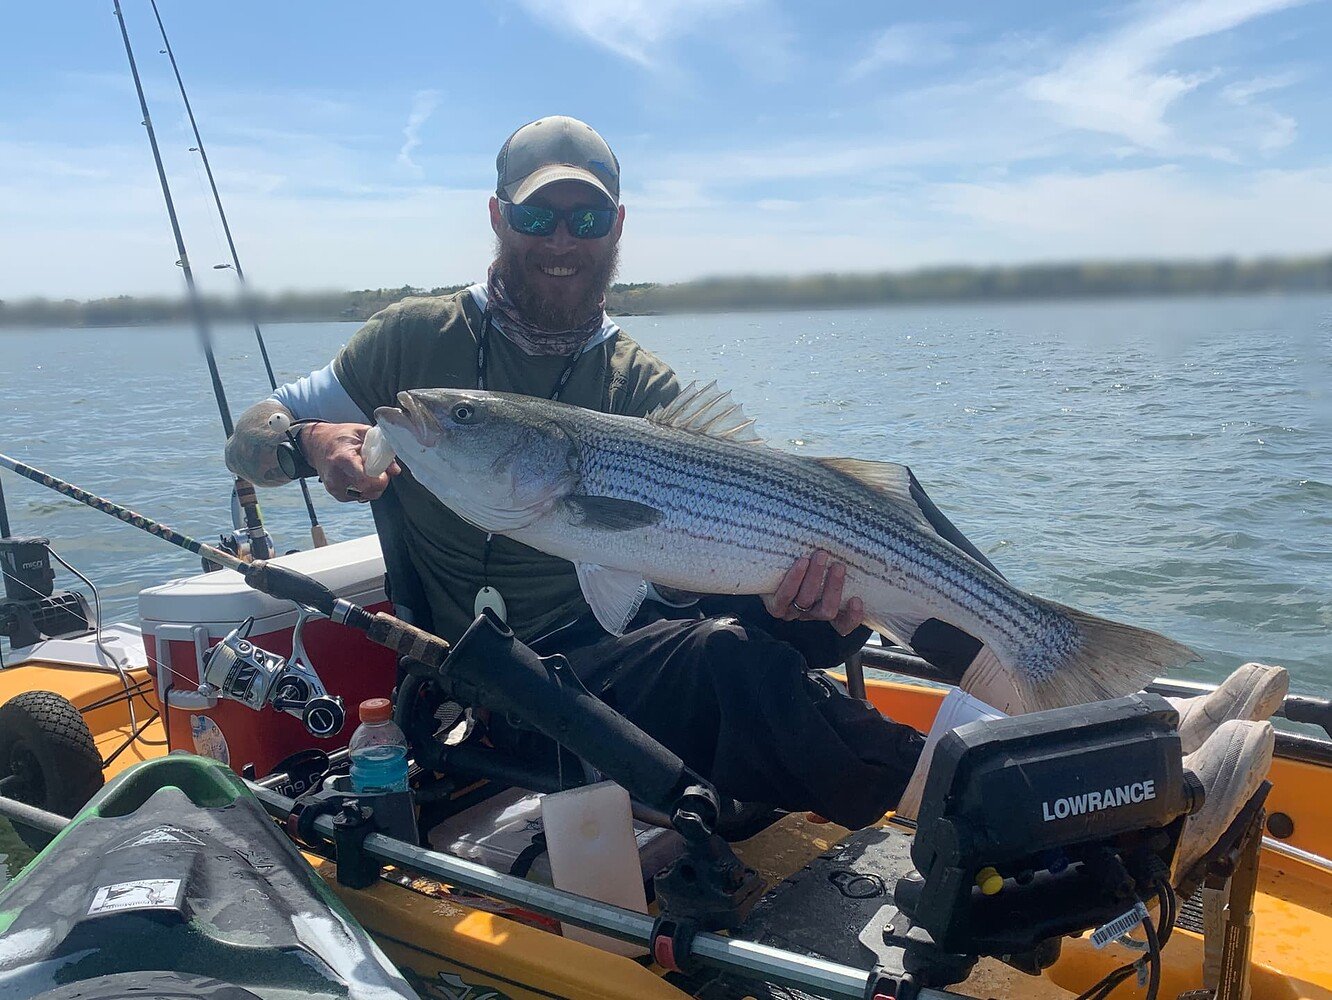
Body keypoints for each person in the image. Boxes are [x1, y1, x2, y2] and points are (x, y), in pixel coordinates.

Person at [225, 117, 1281, 855]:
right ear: (496, 218)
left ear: (618, 230)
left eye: (585, 223)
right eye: (538, 219)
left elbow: (685, 557)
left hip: (632, 613)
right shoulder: (412, 344)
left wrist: (801, 591)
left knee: (878, 529)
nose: (560, 244)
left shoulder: (639, 382)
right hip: (493, 684)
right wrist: (306, 444)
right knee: (727, 663)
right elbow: (251, 437)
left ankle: (1111, 717)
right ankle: (1076, 804)